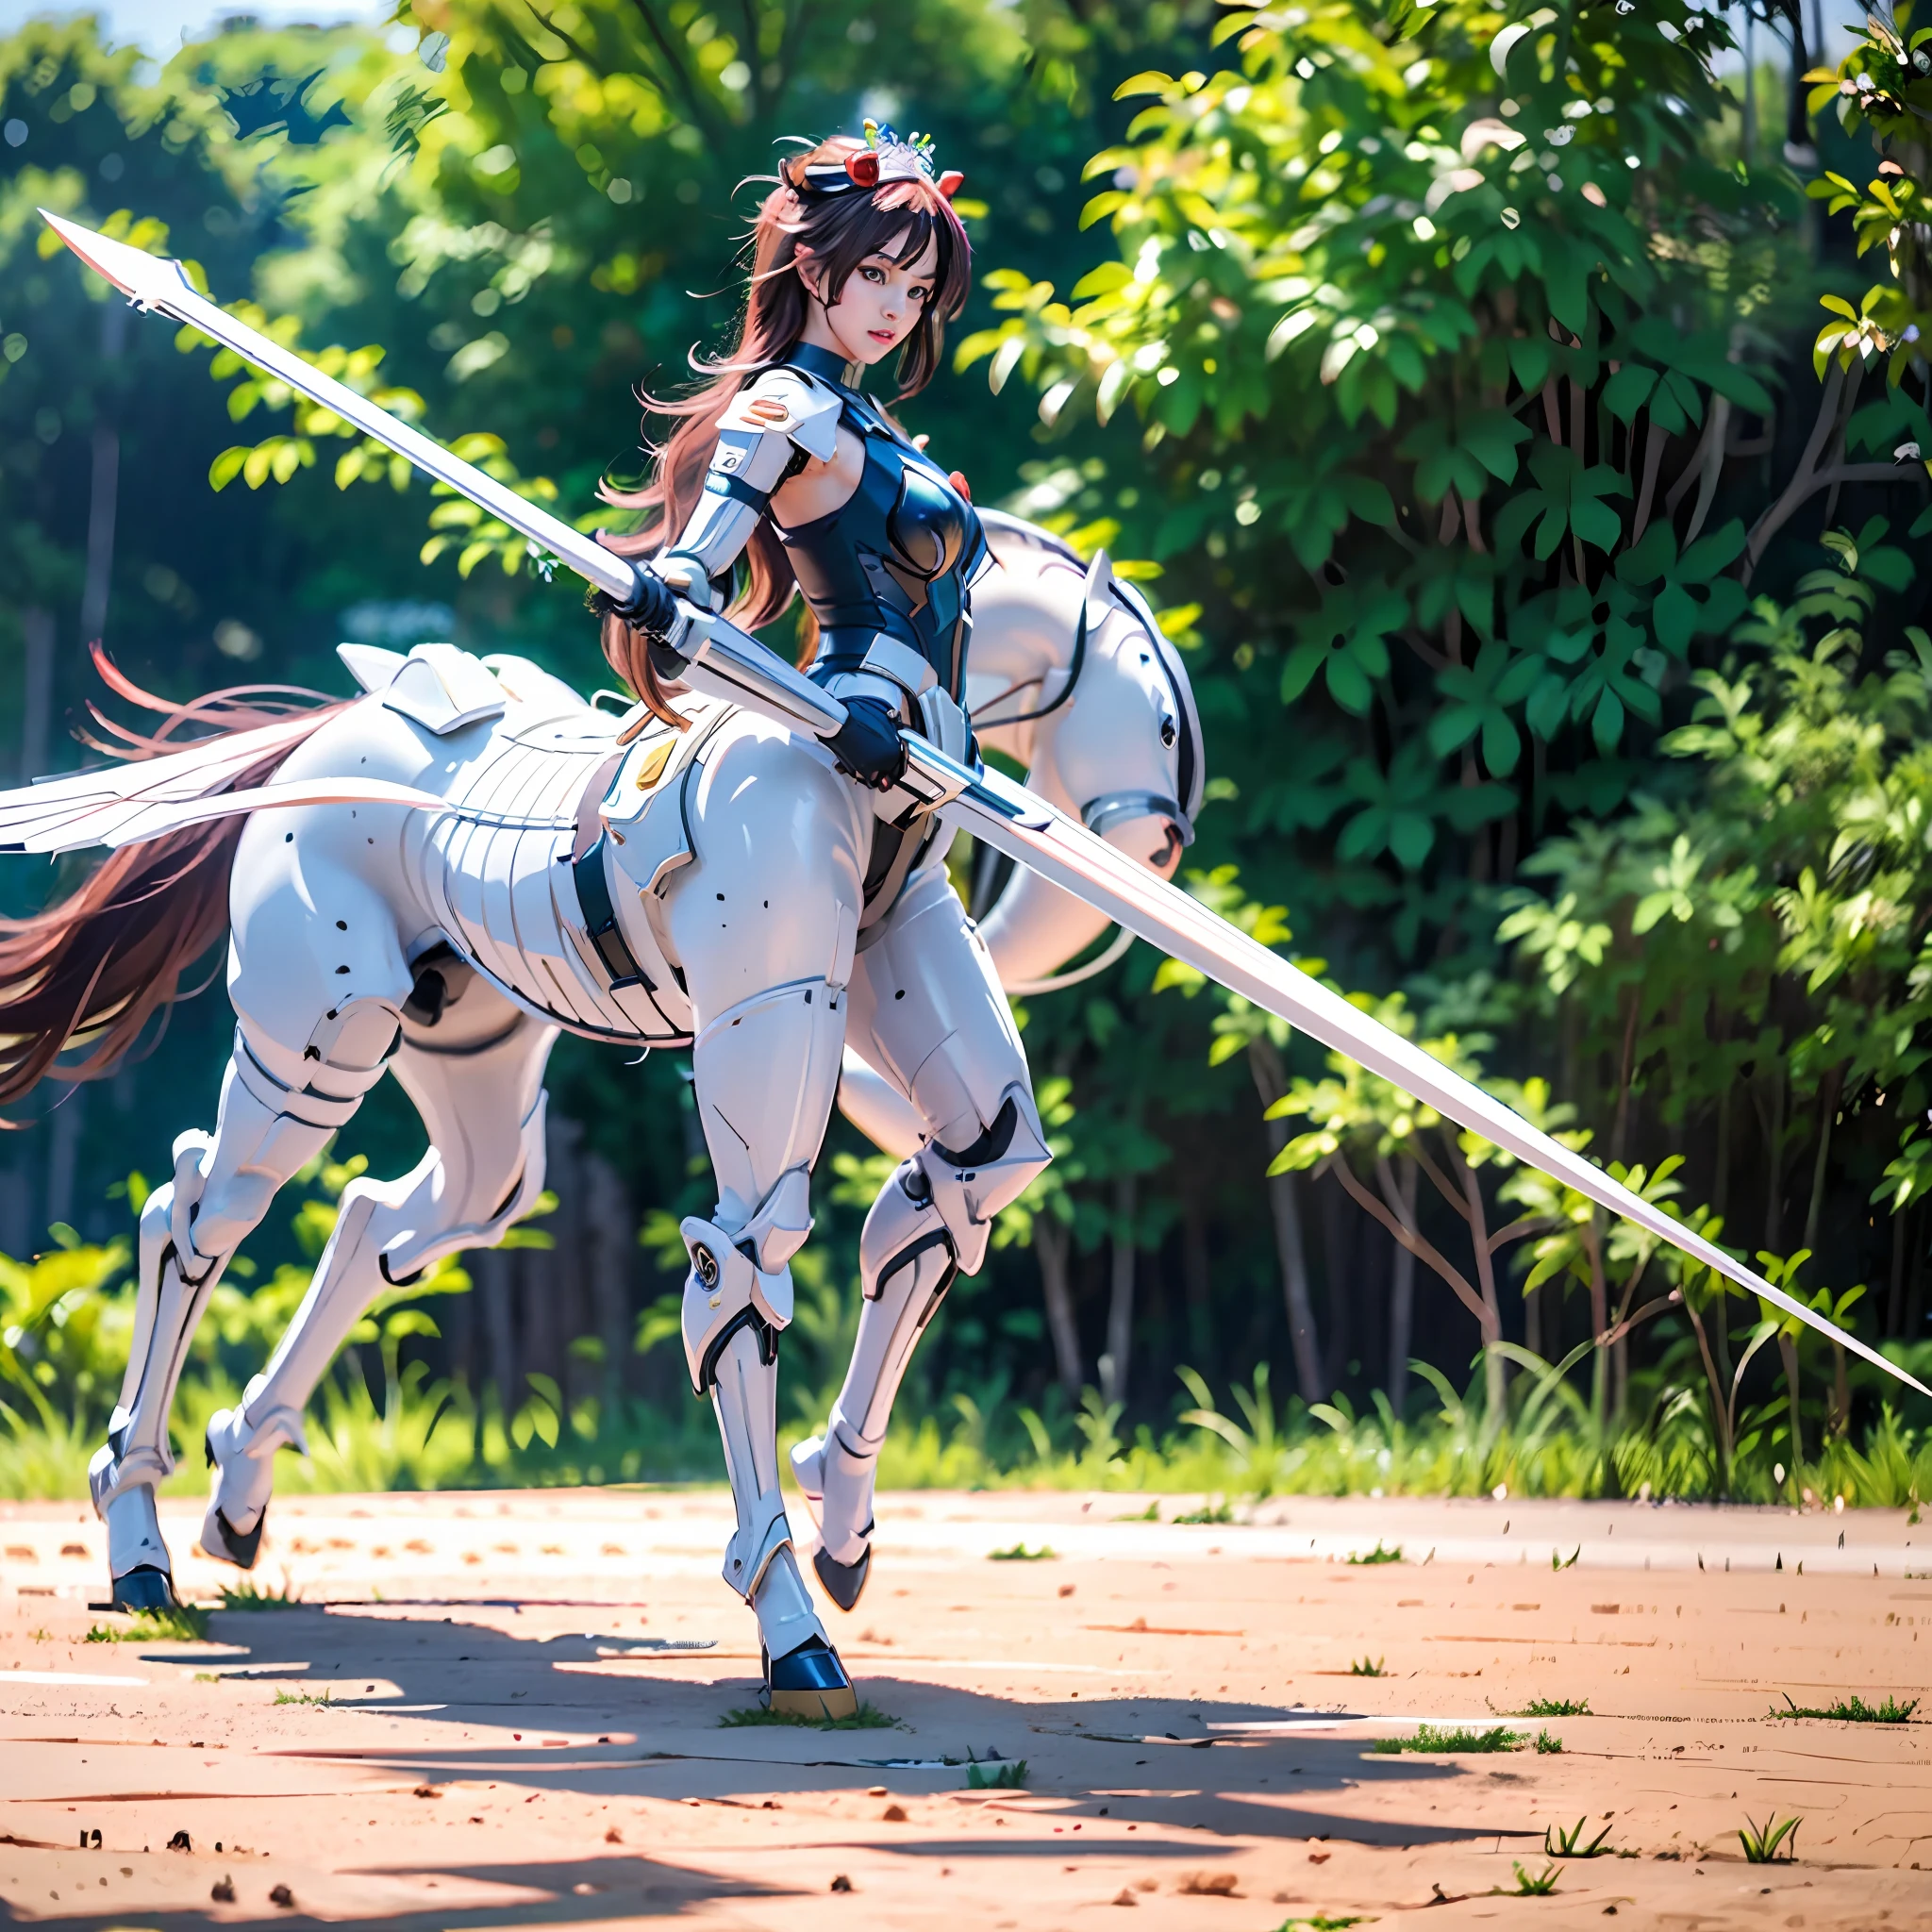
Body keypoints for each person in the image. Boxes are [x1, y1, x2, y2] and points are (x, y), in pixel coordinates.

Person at [594, 123, 1051, 1714]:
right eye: (873, 275)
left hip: (917, 834)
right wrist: (695, 626)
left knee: (999, 1147)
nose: (894, 303)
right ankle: (762, 1555)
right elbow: (681, 598)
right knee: (764, 1205)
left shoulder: (884, 425)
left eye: (915, 281)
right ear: (816, 270)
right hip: (814, 809)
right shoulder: (788, 410)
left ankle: (847, 1449)